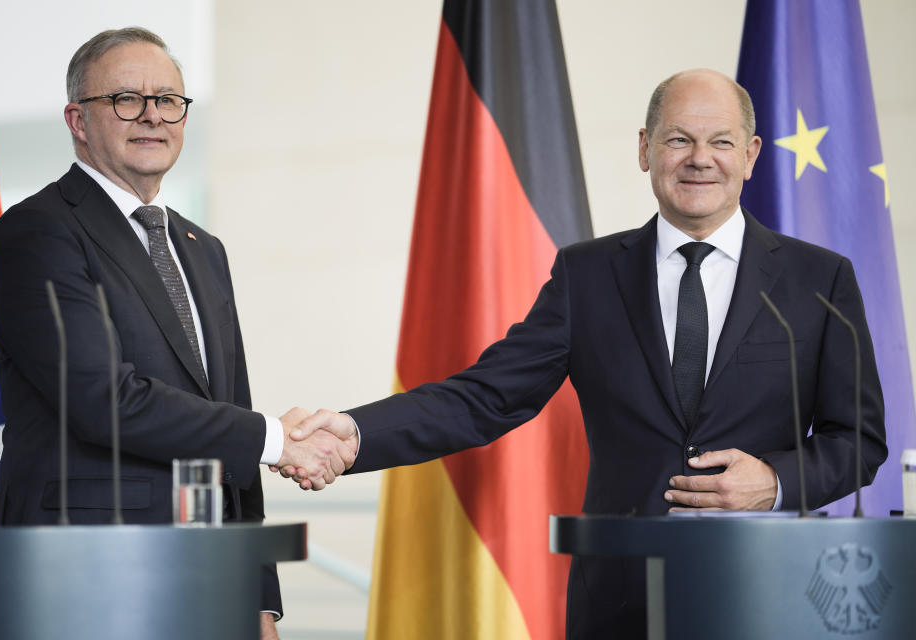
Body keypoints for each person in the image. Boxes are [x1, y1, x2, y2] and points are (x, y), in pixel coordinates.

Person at [281, 69, 888, 637]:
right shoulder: (588, 275)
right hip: (619, 601)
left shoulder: (819, 280)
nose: (700, 159)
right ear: (645, 149)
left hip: (767, 591)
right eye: (679, 139)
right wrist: (355, 434)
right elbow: (486, 396)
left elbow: (857, 440)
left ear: (751, 155)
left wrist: (776, 481)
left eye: (721, 142)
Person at [0, 27, 354, 639]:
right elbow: (101, 400)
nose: (152, 116)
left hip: (208, 587)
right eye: (126, 99)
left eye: (168, 100)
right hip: (88, 582)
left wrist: (260, 599)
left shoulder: (202, 248)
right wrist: (274, 439)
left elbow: (226, 412)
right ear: (78, 120)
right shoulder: (38, 231)